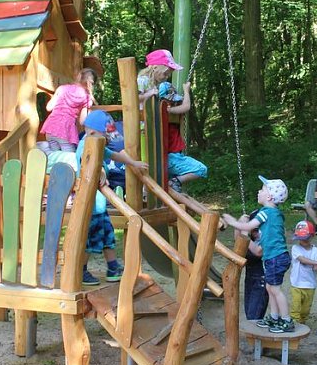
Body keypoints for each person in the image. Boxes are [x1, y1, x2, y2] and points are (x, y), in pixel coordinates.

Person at [77, 110, 148, 285]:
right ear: (92, 132)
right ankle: (81, 271)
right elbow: (87, 162)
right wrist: (101, 170)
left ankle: (112, 268)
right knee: (91, 239)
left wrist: (133, 163)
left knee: (108, 237)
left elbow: (114, 155)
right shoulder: (85, 145)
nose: (108, 139)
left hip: (100, 205)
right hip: (89, 205)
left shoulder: (99, 143)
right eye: (106, 136)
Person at [222, 176, 294, 333]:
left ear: (269, 197)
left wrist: (232, 221)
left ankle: (286, 320)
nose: (258, 191)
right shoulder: (276, 214)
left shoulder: (266, 213)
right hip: (275, 257)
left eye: (262, 189)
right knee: (270, 287)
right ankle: (274, 317)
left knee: (275, 290)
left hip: (276, 258)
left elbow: (248, 227)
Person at [157, 81, 208, 192]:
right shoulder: (165, 110)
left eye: (173, 101)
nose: (173, 103)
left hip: (169, 157)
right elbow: (186, 106)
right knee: (201, 169)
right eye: (169, 101)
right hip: (171, 158)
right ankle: (175, 182)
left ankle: (173, 183)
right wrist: (186, 90)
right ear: (161, 100)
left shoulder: (164, 111)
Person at [39, 68, 96, 152]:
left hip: (51, 127)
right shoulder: (87, 98)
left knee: (55, 156)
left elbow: (49, 107)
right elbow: (82, 121)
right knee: (69, 158)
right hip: (66, 130)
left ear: (79, 77)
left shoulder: (62, 88)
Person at [289, 220, 317, 325]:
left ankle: (302, 323)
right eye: (300, 238)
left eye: (305, 238)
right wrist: (316, 263)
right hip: (297, 284)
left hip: (310, 284)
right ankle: (294, 323)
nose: (303, 240)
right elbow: (302, 259)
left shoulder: (315, 250)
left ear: (312, 236)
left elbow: (315, 267)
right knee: (296, 307)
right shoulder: (295, 248)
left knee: (305, 309)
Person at [236, 209, 267, 321]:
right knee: (249, 313)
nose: (258, 233)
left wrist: (244, 232)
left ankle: (255, 332)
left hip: (261, 281)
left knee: (254, 315)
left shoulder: (268, 241)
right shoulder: (252, 242)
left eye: (260, 229)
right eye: (254, 230)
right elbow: (238, 242)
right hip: (250, 279)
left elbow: (258, 252)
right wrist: (239, 225)